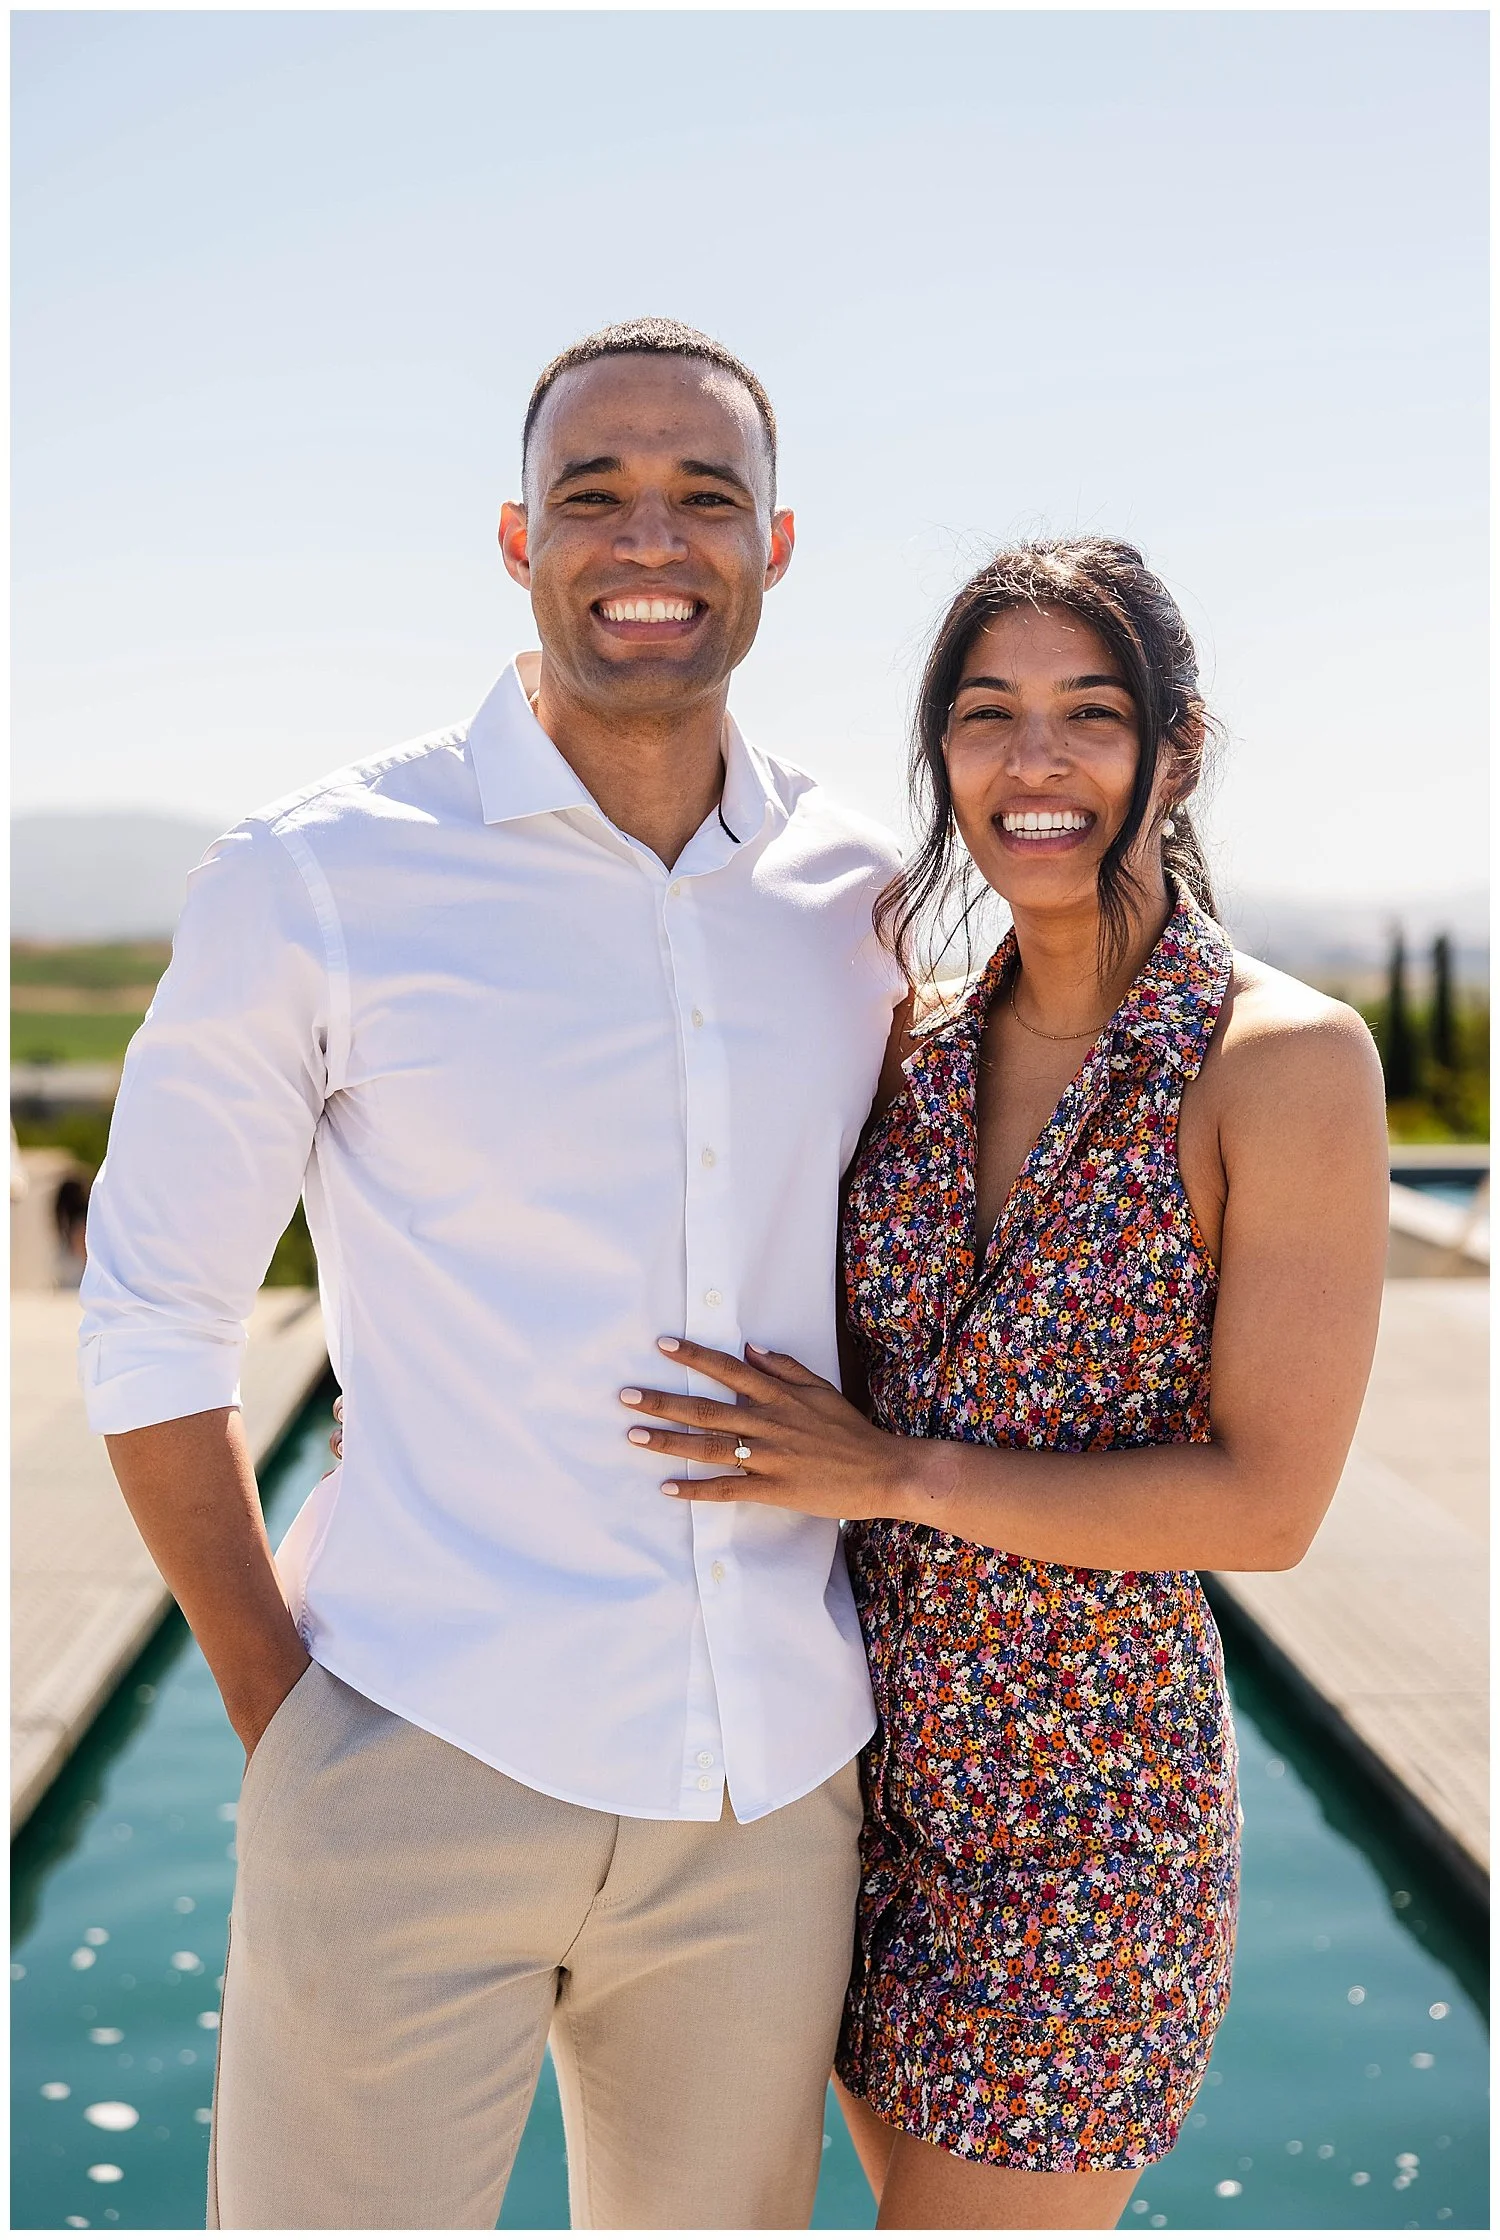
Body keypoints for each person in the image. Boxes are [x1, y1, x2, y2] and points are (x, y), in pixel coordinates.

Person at [78, 317, 905, 2230]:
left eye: (707, 498)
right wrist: (292, 1721)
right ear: (514, 538)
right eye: (593, 495)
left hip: (767, 1798)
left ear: (777, 548)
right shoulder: (318, 878)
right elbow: (152, 1326)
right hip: (413, 1747)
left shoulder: (863, 893)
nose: (650, 541)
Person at [616, 538, 1390, 2230]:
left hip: (1090, 1836)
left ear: (1173, 755)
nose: (1034, 763)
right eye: (987, 718)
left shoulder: (1282, 1062)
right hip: (841, 1806)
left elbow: (1267, 1506)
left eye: (1089, 716)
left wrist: (894, 1473)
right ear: (942, 756)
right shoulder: (915, 1037)